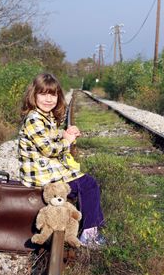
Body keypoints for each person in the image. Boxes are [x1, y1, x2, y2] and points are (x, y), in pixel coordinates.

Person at [18, 72, 105, 247]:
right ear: (33, 95)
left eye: (53, 94)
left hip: (46, 170)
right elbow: (49, 149)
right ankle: (89, 235)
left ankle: (91, 229)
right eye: (43, 94)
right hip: (40, 176)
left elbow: (50, 135)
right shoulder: (33, 119)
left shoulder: (45, 117)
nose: (48, 99)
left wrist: (64, 133)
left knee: (87, 183)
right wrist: (67, 141)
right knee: (88, 185)